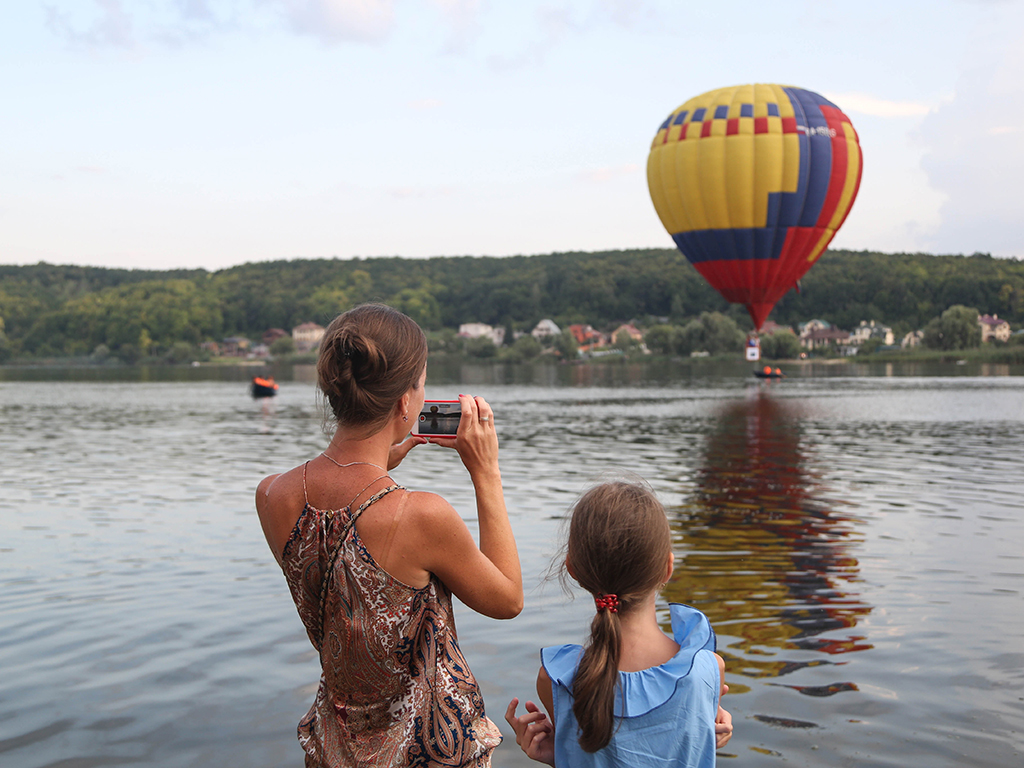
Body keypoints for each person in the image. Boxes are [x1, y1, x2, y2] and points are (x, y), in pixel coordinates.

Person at [256, 303, 522, 767]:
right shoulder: (421, 516)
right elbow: (508, 599)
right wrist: (487, 473)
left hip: (334, 748)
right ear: (405, 402)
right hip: (430, 754)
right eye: (420, 383)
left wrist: (377, 466)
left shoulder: (273, 496)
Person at [504, 481, 733, 767]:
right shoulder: (708, 670)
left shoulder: (556, 680)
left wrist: (558, 755)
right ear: (668, 568)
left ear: (572, 569)